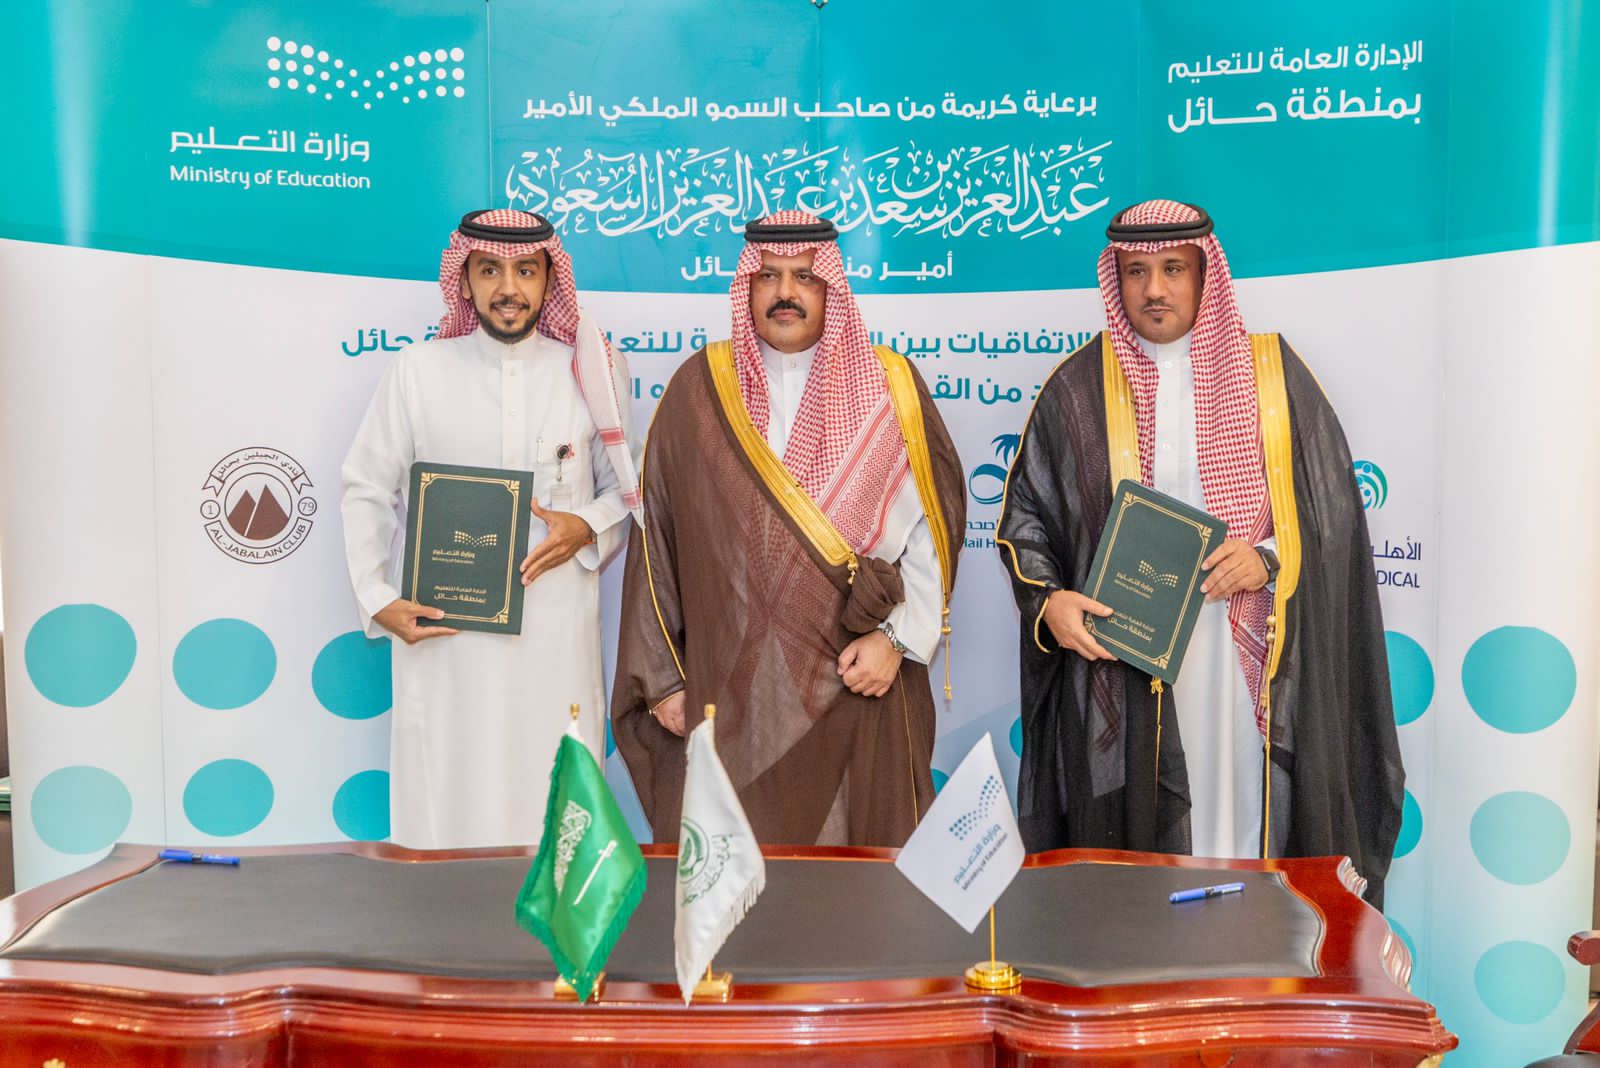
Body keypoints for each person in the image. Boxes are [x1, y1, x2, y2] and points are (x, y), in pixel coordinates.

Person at [997, 199, 1403, 904]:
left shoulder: (1273, 376)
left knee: (1244, 812)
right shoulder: (1079, 387)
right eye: (1136, 272)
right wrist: (1049, 601)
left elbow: (1334, 517)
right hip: (1126, 666)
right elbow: (1027, 514)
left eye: (1173, 269)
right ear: (1116, 280)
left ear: (1205, 274)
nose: (1154, 289)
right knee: (1142, 845)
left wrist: (1266, 558)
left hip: (1245, 655)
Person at [612, 210, 965, 847]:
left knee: (855, 875)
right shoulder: (698, 390)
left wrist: (897, 639)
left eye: (805, 277)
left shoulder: (891, 387)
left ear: (831, 287)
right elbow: (655, 537)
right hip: (731, 694)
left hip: (859, 679)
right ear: (746, 286)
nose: (785, 293)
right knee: (738, 870)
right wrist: (661, 678)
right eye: (768, 276)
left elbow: (933, 532)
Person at [341, 209, 639, 850]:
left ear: (548, 281)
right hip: (446, 641)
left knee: (552, 801)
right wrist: (377, 597)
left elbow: (627, 492)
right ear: (465, 281)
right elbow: (366, 486)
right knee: (447, 799)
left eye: (526, 271)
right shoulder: (417, 369)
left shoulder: (590, 370)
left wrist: (585, 527)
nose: (509, 288)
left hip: (554, 641)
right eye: (490, 271)